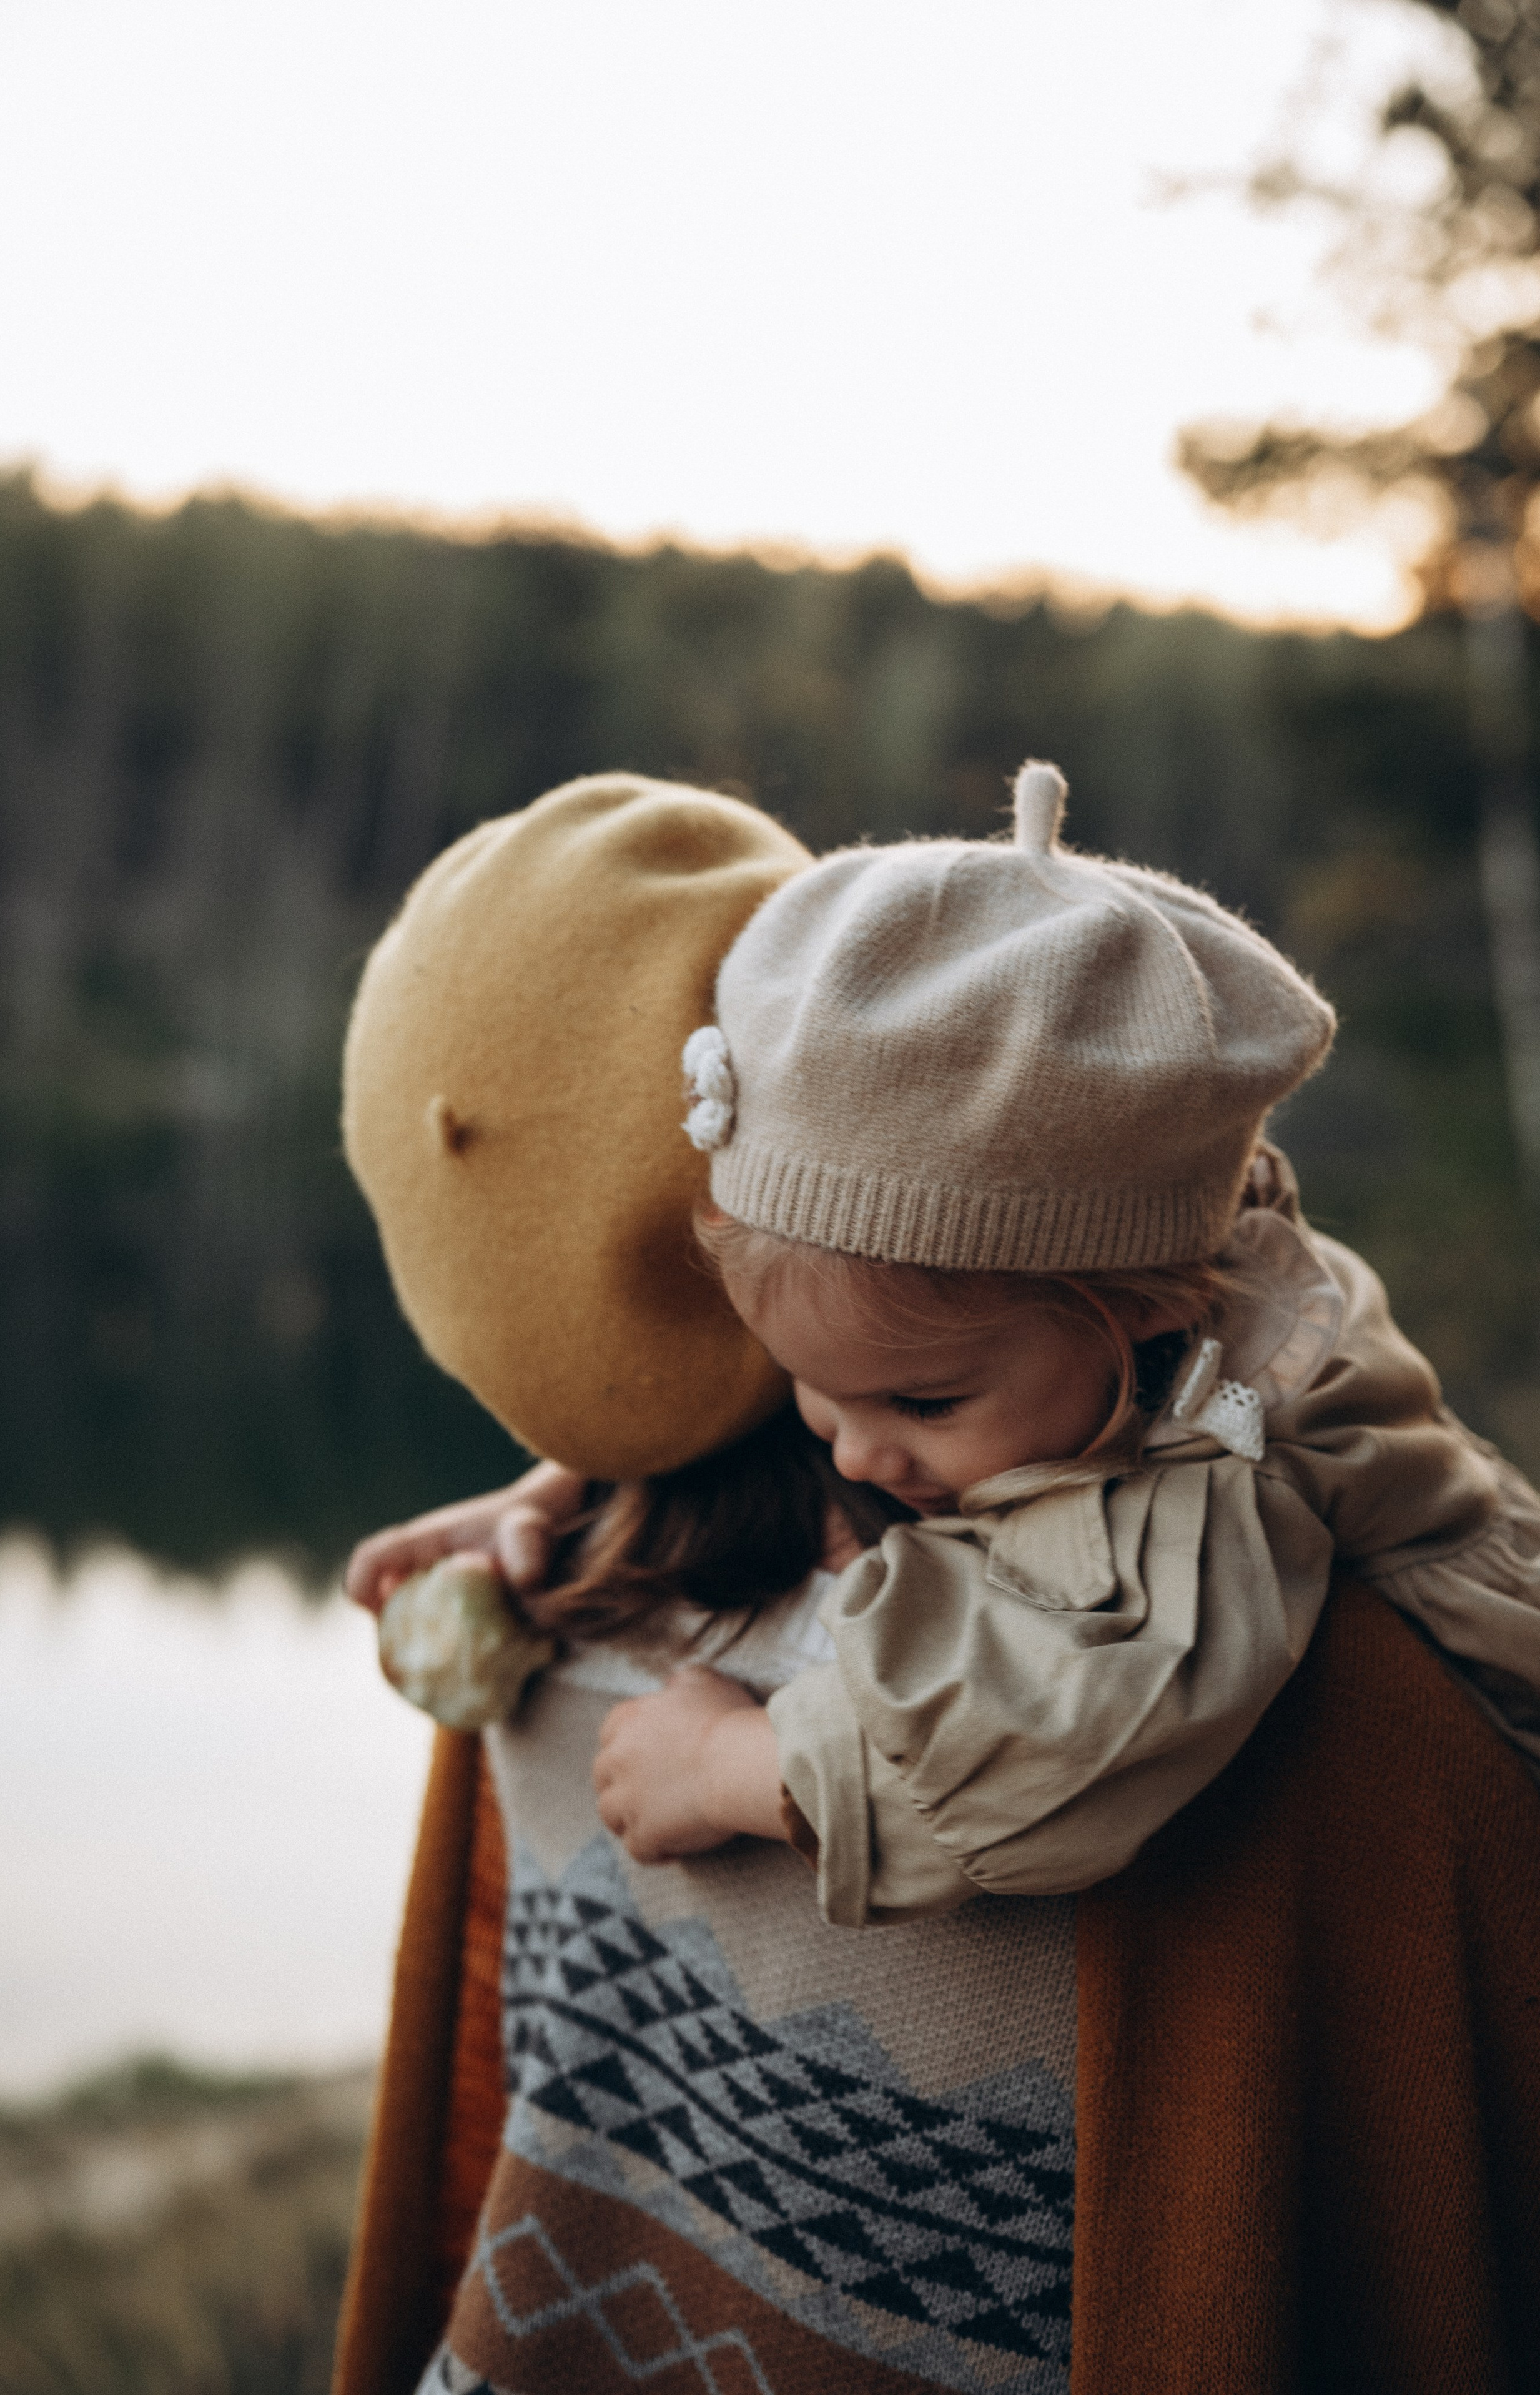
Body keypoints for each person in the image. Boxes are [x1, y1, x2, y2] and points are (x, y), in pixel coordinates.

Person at [337, 769, 1540, 2394]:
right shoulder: (1016, 1316)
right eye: (806, 1393)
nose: (859, 1449)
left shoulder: (1192, 1483)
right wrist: (577, 1481)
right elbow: (861, 1354)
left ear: (1140, 1317)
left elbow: (1056, 1723)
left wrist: (749, 1758)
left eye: (916, 1408)